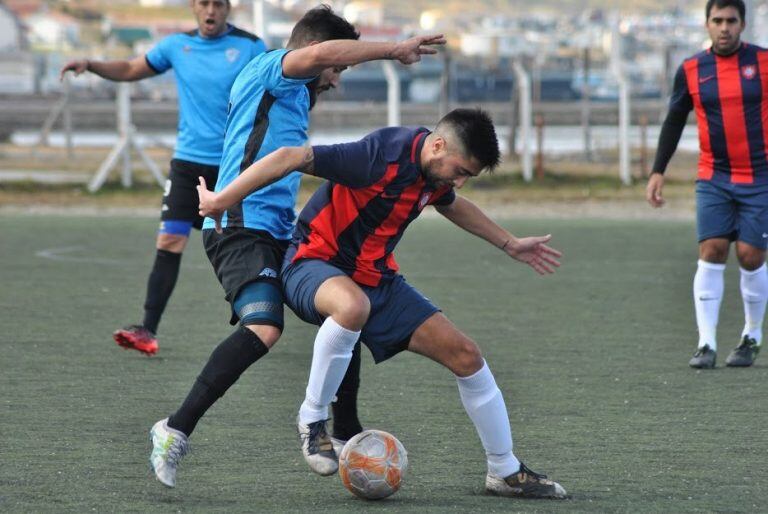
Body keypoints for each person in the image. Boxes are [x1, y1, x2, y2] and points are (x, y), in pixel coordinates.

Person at [198, 108, 567, 499]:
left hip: (377, 279)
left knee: (467, 356)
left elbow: (451, 203)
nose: (459, 181)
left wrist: (508, 243)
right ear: (438, 145)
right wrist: (223, 200)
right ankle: (312, 420)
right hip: (313, 263)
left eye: (467, 177)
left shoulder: (435, 169)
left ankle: (504, 470)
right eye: (460, 171)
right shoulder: (379, 156)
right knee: (352, 307)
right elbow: (292, 157)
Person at [147, 5, 446, 487]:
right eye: (337, 70)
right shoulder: (272, 70)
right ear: (313, 56)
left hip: (280, 233)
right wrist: (393, 49)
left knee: (348, 307)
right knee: (264, 327)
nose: (336, 80)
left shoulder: (293, 96)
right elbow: (320, 54)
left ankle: (345, 429)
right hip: (239, 225)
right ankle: (174, 429)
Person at [60, 0, 266, 356]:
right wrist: (91, 64)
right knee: (170, 240)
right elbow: (130, 67)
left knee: (240, 243)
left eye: (218, 4)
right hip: (187, 163)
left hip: (233, 164)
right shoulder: (176, 46)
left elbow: (275, 87)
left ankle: (268, 316)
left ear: (229, 8)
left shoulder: (251, 47)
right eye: (204, 4)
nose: (210, 11)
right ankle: (147, 329)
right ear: (194, 8)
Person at [647, 0, 767, 369]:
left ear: (742, 24)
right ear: (707, 25)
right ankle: (706, 343)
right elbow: (673, 120)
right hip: (714, 177)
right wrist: (657, 170)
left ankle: (751, 335)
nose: (724, 27)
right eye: (718, 21)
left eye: (731, 20)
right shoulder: (691, 69)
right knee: (712, 249)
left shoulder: (764, 63)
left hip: (761, 177)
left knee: (750, 255)